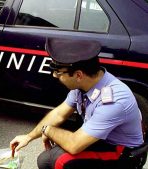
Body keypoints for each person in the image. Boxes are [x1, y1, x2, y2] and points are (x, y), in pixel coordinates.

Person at [10, 38, 146, 169]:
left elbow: (74, 144)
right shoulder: (85, 85)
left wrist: (48, 130)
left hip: (124, 154)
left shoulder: (113, 100)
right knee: (45, 159)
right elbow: (58, 114)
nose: (54, 75)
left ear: (78, 75)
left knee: (60, 161)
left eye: (58, 72)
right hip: (102, 140)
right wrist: (28, 137)